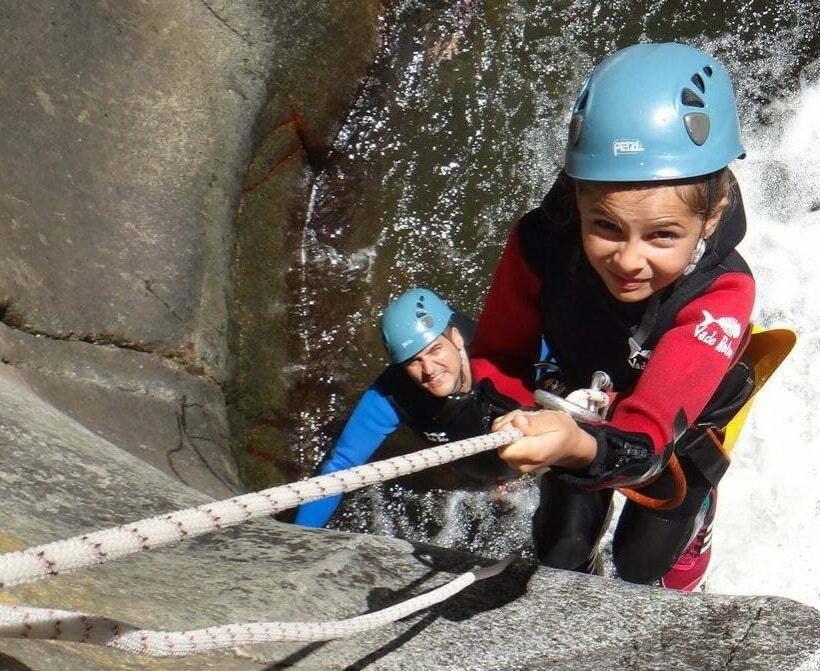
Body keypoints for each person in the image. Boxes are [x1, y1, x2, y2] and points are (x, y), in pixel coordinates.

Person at [471, 42, 756, 591]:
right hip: (581, 397)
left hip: (678, 425)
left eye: (662, 236)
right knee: (561, 551)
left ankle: (697, 516)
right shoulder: (540, 245)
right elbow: (499, 355)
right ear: (576, 202)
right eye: (604, 226)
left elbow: (648, 435)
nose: (629, 261)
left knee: (644, 563)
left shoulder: (722, 292)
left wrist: (578, 446)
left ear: (711, 217)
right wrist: (507, 414)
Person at [294, 287, 518, 527]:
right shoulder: (394, 393)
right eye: (414, 361)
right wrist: (300, 543)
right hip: (468, 461)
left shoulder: (499, 361)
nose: (430, 370)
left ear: (456, 338)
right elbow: (341, 467)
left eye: (435, 350)